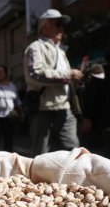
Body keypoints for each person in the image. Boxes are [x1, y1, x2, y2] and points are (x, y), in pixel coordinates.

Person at [23, 9, 83, 157]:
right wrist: (70, 74)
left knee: (73, 151)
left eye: (62, 25)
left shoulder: (61, 51)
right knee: (40, 154)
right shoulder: (35, 47)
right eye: (58, 24)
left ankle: (72, 179)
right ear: (44, 27)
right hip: (43, 109)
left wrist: (77, 81)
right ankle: (38, 179)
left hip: (65, 108)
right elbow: (35, 74)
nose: (61, 28)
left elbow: (64, 79)